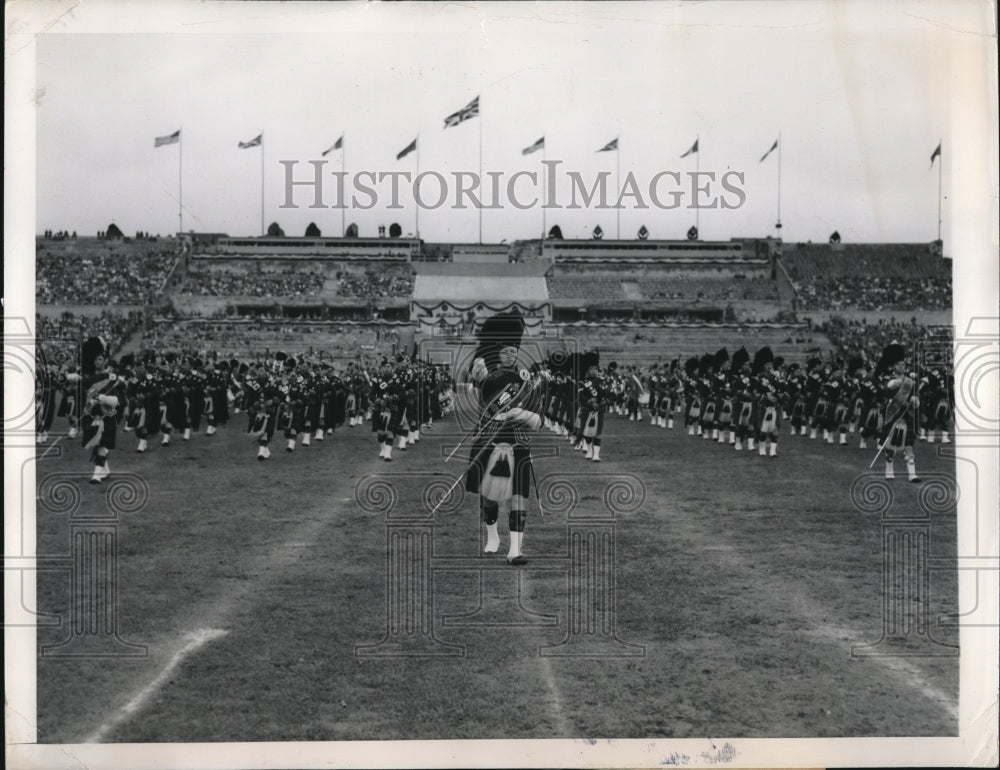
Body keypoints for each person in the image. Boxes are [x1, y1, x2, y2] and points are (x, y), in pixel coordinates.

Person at [464, 312, 542, 566]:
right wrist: (477, 379)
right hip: (491, 441)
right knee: (489, 495)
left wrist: (525, 414)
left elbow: (539, 418)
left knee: (520, 496)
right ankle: (493, 536)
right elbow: (480, 400)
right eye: (507, 351)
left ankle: (515, 550)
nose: (511, 355)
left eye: (514, 351)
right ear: (498, 353)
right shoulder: (487, 377)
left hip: (518, 443)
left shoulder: (525, 380)